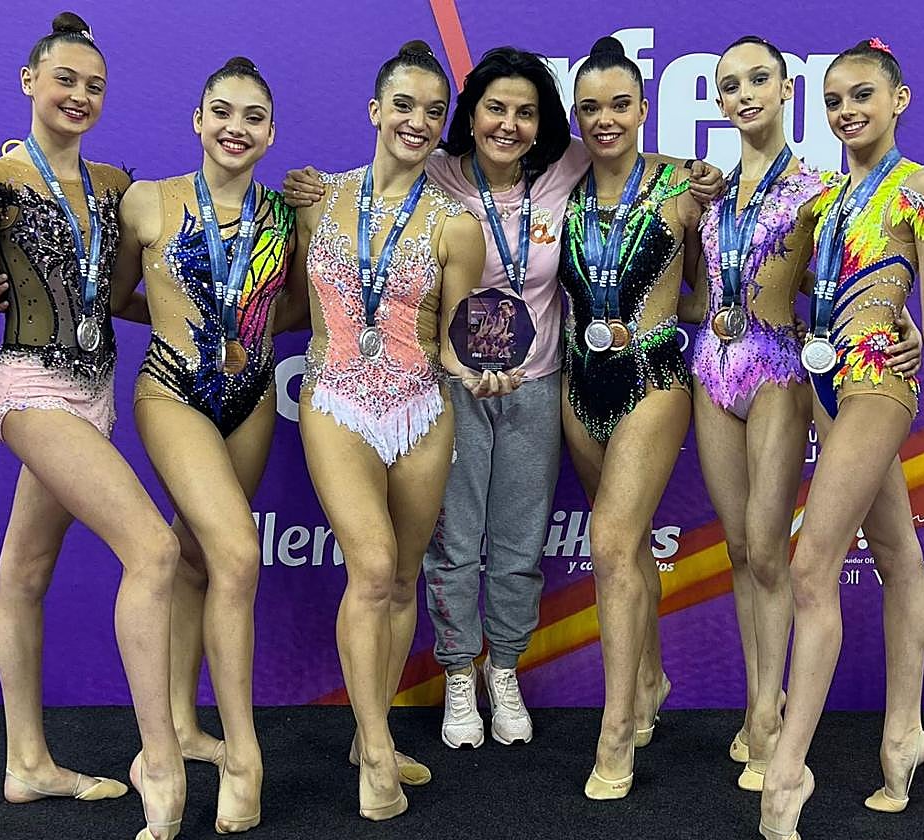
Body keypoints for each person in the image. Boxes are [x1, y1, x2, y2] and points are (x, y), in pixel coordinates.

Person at [282, 46, 722, 751]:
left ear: (545, 123)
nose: (509, 125)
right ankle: (460, 674)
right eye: (495, 109)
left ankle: (505, 671)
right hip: (449, 385)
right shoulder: (436, 171)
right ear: (470, 115)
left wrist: (697, 174)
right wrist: (312, 186)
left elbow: (634, 156)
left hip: (539, 385)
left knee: (518, 543)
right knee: (453, 546)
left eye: (525, 112)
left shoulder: (571, 166)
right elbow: (369, 185)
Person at [0, 12, 184, 840]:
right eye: (65, 79)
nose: (79, 95)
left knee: (24, 574)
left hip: (99, 392)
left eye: (95, 86)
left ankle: (27, 763)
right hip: (31, 387)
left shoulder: (114, 185)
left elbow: (117, 298)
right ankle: (162, 761)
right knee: (154, 549)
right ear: (30, 82)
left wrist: (194, 324)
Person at [684, 35, 922, 791]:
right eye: (730, 85)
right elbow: (695, 290)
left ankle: (772, 721)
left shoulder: (820, 191)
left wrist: (903, 328)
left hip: (783, 368)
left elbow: (860, 273)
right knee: (735, 547)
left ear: (787, 90)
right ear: (717, 102)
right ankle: (763, 699)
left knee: (767, 546)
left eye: (759, 79)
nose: (745, 93)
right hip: (712, 368)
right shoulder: (708, 192)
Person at [758, 38, 924, 840]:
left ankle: (788, 772)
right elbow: (844, 282)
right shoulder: (826, 198)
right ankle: (903, 734)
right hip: (823, 387)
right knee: (898, 558)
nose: (847, 111)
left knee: (811, 563)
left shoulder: (923, 187)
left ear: (898, 101)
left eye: (862, 97)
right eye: (836, 100)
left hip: (879, 383)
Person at [286, 40, 486, 820]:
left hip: (422, 409)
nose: (418, 121)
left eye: (435, 111)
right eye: (404, 104)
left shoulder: (457, 224)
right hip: (334, 397)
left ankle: (374, 726)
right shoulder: (314, 198)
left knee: (403, 578)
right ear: (374, 110)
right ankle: (374, 749)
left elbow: (458, 337)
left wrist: (475, 370)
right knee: (370, 569)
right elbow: (286, 296)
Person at [112, 56, 296, 835]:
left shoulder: (288, 216)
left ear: (271, 133)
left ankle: (188, 730)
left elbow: (293, 311)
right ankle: (246, 755)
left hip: (251, 398)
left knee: (197, 555)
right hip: (172, 393)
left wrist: (242, 337)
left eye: (253, 117)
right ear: (197, 120)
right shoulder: (148, 203)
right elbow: (115, 293)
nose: (236, 128)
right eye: (222, 112)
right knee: (236, 554)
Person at [560, 35, 701, 800]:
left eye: (619, 105)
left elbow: (723, 286)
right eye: (590, 108)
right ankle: (649, 678)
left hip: (653, 376)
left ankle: (615, 731)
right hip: (579, 390)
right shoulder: (564, 190)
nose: (605, 120)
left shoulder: (684, 186)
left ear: (645, 109)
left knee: (610, 544)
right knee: (630, 542)